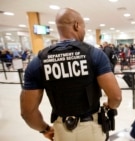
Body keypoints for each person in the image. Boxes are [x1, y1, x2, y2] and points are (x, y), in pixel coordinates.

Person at [20, 8, 122, 141]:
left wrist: (45, 129)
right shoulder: (95, 55)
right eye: (84, 27)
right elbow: (116, 97)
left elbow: (27, 112)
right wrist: (110, 105)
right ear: (76, 25)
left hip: (62, 131)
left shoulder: (38, 61)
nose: (84, 31)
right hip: (92, 129)